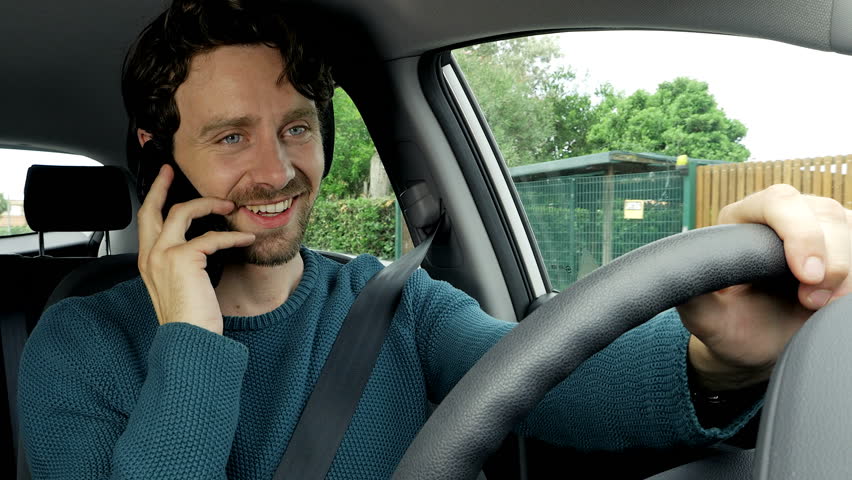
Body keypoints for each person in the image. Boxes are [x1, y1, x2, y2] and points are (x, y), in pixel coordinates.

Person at [18, 0, 852, 478]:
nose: (277, 172)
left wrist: (715, 360)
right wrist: (192, 342)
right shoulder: (82, 341)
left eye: (298, 128)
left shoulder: (391, 304)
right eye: (231, 137)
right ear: (160, 155)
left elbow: (540, 370)